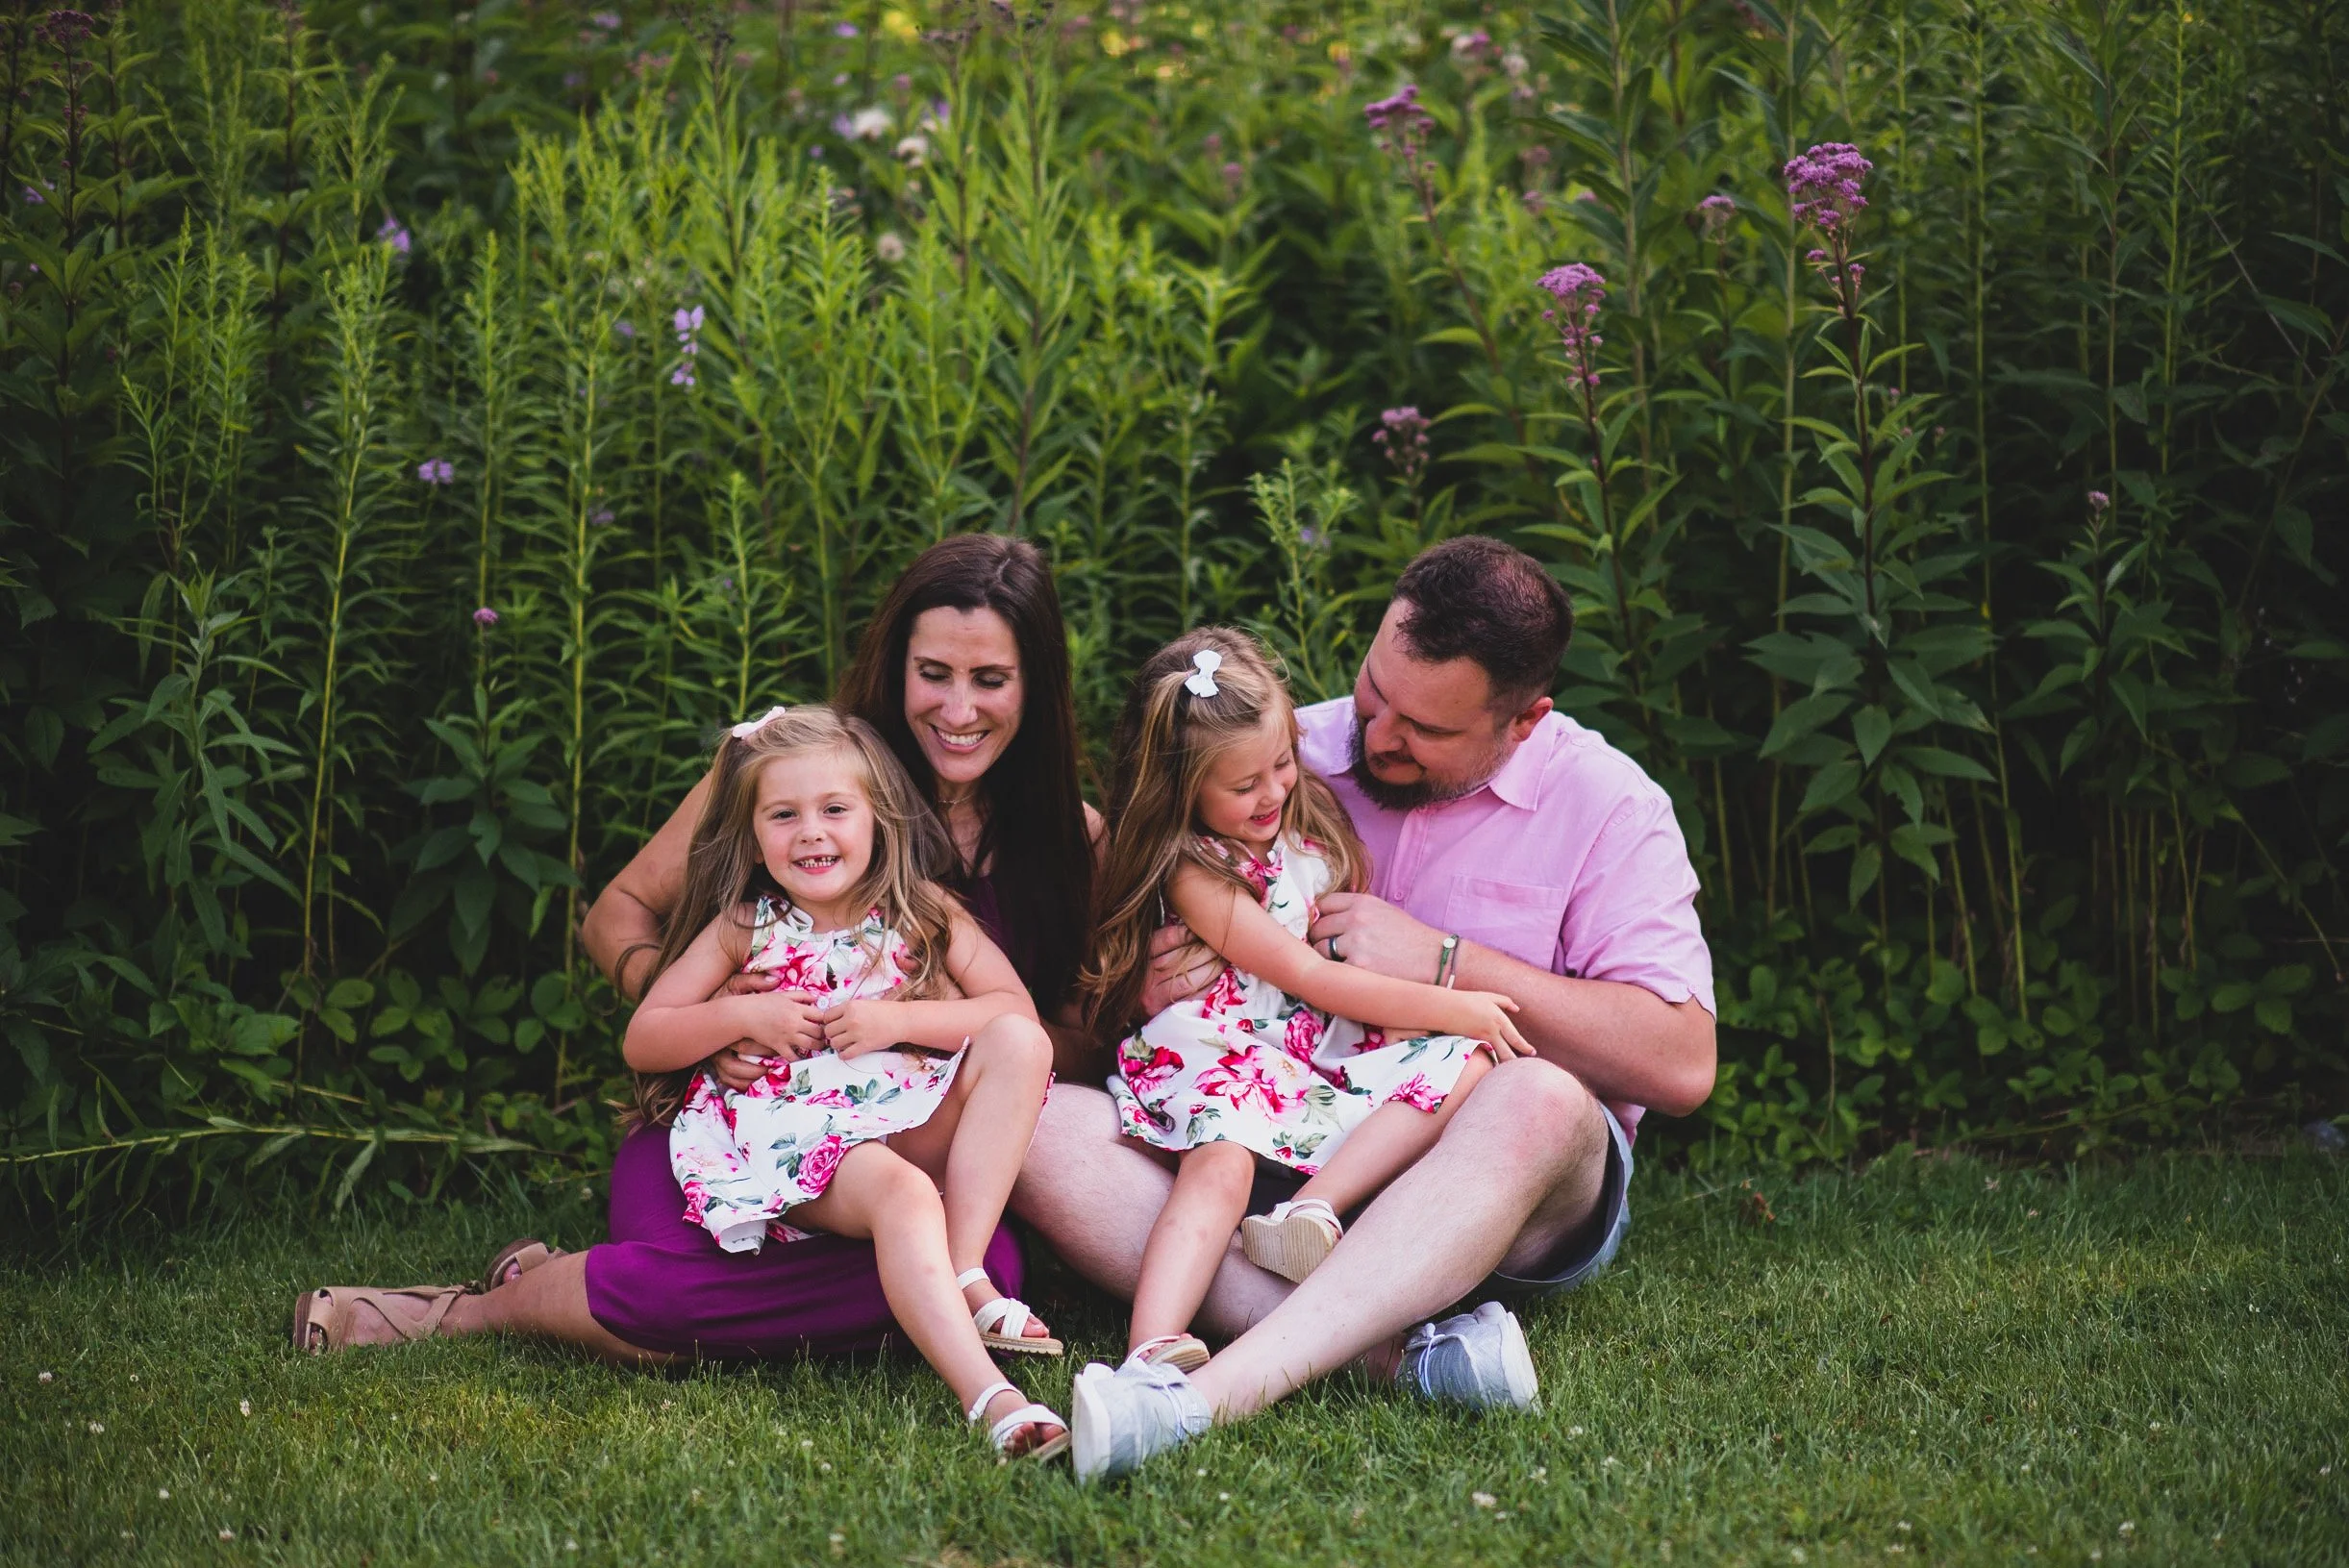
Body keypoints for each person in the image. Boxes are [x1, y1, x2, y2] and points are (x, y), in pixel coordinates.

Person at [1014, 536, 1718, 1481]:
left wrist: (1448, 961)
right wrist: (1139, 981)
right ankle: (1401, 1357)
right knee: (1038, 1122)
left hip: (1476, 1171)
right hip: (1270, 1126)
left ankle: (1200, 1398)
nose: (1375, 735)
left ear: (1523, 720)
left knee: (1541, 1095)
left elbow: (1681, 1062)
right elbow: (1116, 960)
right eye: (1373, 692)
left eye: (1421, 728)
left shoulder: (1609, 807)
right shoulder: (1275, 750)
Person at [290, 535, 1090, 1365]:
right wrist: (714, 1018)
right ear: (896, 666)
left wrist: (918, 1019)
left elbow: (1071, 1043)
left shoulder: (1070, 840)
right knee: (731, 1284)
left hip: (901, 1145)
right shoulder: (794, 769)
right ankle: (479, 1311)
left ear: (1034, 686)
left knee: (978, 1259)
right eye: (933, 673)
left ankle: (621, 1296)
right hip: (730, 1127)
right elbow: (615, 915)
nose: (958, 710)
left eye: (989, 679)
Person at [1082, 629, 1530, 1375]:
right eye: (1243, 785)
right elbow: (1305, 974)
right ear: (1183, 787)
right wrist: (1454, 1002)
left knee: (1462, 1062)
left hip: (1305, 1041)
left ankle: (1308, 1207)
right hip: (1221, 1046)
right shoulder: (1195, 869)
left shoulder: (1299, 821)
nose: (1271, 791)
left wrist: (1442, 1024)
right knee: (1219, 1164)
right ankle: (1150, 1345)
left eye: (1281, 763)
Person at [628, 706, 1064, 1458]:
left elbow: (1013, 1010)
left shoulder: (922, 912)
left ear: (877, 820)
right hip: (797, 1136)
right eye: (783, 814)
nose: (810, 832)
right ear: (753, 837)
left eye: (834, 809)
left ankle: (964, 1267)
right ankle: (991, 1395)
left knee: (1021, 1042)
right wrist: (741, 1014)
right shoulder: (745, 925)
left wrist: (898, 1020)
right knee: (903, 1192)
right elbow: (645, 1036)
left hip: (898, 1109)